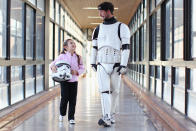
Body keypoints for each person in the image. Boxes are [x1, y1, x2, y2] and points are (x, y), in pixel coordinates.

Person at [90, 2, 130, 127]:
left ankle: (111, 114)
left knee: (115, 91)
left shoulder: (122, 27)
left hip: (116, 64)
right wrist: (92, 62)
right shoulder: (97, 29)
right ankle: (106, 116)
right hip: (102, 63)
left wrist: (123, 65)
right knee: (104, 91)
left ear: (108, 11)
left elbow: (126, 47)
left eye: (101, 11)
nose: (99, 14)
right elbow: (94, 47)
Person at [51, 39, 85, 124]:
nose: (73, 44)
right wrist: (53, 67)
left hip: (74, 81)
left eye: (74, 43)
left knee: (73, 99)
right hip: (64, 81)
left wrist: (76, 72)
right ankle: (62, 114)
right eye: (71, 43)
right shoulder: (62, 56)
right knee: (64, 98)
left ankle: (71, 118)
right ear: (65, 47)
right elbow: (53, 64)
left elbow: (82, 68)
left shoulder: (78, 57)